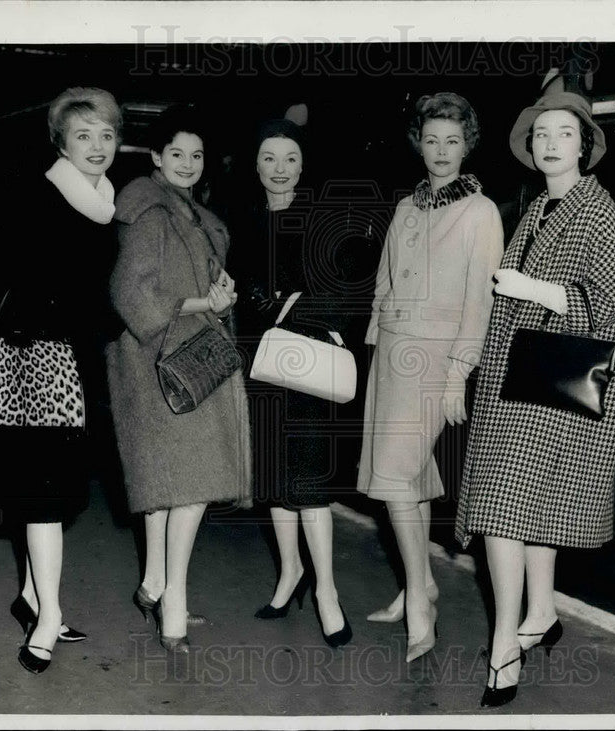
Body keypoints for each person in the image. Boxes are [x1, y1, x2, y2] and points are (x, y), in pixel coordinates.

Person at [454, 88, 615, 707]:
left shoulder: (598, 210)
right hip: (529, 379)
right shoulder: (541, 207)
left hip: (553, 382)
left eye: (563, 133)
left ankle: (505, 643)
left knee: (506, 503)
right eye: (541, 135)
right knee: (533, 500)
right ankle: (542, 612)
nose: (550, 143)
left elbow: (605, 300)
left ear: (583, 145)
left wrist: (527, 286)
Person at [0, 86, 122, 674]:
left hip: (71, 363)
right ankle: (51, 616)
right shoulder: (40, 195)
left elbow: (92, 296)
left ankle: (33, 596)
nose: (97, 145)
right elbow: (0, 271)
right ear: (61, 141)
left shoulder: (101, 204)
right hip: (32, 362)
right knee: (45, 496)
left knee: (50, 492)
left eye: (107, 134)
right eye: (84, 134)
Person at [357, 92, 503, 663]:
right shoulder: (406, 206)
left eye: (453, 141)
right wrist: (375, 342)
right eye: (432, 140)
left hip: (437, 358)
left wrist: (457, 375)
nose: (441, 151)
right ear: (419, 143)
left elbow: (480, 301)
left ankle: (420, 599)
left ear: (468, 146)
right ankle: (423, 585)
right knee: (407, 480)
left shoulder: (481, 212)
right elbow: (386, 281)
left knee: (394, 477)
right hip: (392, 353)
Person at [106, 104, 252, 654]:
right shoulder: (149, 210)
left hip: (189, 356)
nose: (189, 163)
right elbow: (130, 292)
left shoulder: (189, 212)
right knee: (191, 485)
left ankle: (154, 585)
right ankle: (173, 602)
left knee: (172, 488)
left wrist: (219, 298)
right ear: (156, 157)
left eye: (197, 155)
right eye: (177, 154)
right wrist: (199, 301)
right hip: (161, 362)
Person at [229, 119, 354, 647]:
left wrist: (283, 303)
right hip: (260, 364)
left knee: (308, 482)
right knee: (274, 481)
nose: (279, 168)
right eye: (269, 158)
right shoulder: (243, 223)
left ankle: (326, 589)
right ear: (256, 165)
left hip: (306, 365)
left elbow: (343, 286)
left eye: (289, 158)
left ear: (302, 166)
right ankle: (289, 574)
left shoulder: (321, 219)